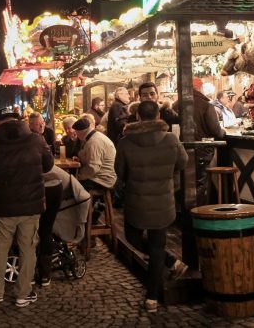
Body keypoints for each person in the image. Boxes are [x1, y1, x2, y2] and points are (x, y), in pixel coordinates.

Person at [116, 101, 189, 313]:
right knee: (157, 246)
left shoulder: (126, 142)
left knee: (133, 236)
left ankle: (155, 291)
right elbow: (183, 163)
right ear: (158, 115)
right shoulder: (171, 139)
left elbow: (119, 173)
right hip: (163, 200)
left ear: (137, 117)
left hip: (136, 199)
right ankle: (153, 296)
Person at [0, 111, 54, 307]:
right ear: (19, 121)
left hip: (2, 206)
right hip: (31, 205)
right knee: (28, 248)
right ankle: (23, 293)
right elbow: (48, 165)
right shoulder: (36, 140)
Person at [192, 78, 225, 206]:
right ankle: (199, 212)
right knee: (201, 183)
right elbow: (216, 130)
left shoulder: (178, 104)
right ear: (200, 88)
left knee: (187, 182)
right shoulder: (206, 105)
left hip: (183, 151)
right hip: (203, 150)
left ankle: (187, 213)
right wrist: (224, 133)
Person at [72, 118, 116, 192]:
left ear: (80, 132)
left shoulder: (93, 142)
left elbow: (92, 168)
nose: (76, 135)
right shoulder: (95, 137)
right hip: (102, 176)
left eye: (76, 133)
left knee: (72, 185)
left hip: (102, 179)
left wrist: (77, 177)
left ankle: (82, 203)